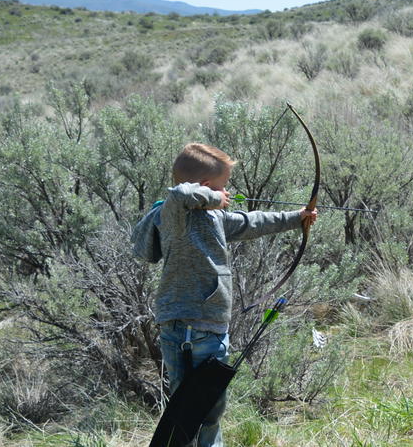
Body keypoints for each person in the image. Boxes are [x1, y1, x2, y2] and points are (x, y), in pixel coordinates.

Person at [131, 142, 316, 447]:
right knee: (186, 411)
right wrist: (214, 197)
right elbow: (179, 193)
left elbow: (250, 222)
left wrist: (297, 217)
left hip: (213, 327)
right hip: (185, 327)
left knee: (211, 409)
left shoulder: (213, 217)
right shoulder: (174, 215)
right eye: (222, 187)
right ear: (204, 187)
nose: (226, 194)